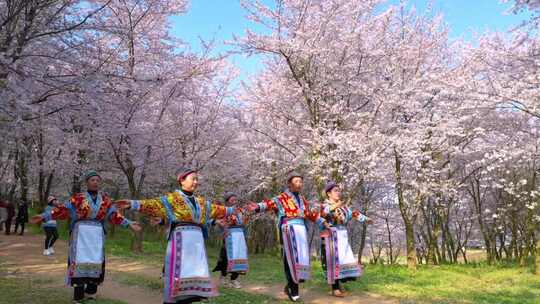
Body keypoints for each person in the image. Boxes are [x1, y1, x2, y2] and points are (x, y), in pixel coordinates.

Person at [115, 168, 237, 304]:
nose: (196, 182)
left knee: (193, 277)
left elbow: (221, 210)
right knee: (179, 274)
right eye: (193, 179)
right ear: (182, 181)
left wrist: (252, 208)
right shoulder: (172, 199)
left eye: (197, 179)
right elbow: (154, 204)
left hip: (196, 245)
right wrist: (133, 204)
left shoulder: (202, 203)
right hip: (180, 242)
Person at [31, 170, 141, 304]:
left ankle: (91, 292)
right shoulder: (77, 198)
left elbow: (113, 216)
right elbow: (62, 210)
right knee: (79, 260)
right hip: (80, 234)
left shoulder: (106, 200)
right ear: (87, 182)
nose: (95, 182)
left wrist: (128, 224)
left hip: (96, 235)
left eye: (97, 180)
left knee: (96, 261)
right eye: (92, 180)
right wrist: (43, 216)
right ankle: (78, 295)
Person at [248, 172, 328, 302]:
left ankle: (290, 285)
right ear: (289, 184)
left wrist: (323, 222)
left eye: (301, 181)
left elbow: (309, 214)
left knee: (301, 259)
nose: (299, 184)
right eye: (296, 181)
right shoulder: (282, 198)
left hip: (301, 232)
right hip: (289, 229)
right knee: (291, 259)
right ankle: (293, 289)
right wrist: (257, 207)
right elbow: (269, 203)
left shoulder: (302, 200)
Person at [320, 182, 373, 297]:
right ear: (329, 193)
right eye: (335, 191)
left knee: (343, 260)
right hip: (331, 235)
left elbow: (353, 213)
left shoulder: (343, 207)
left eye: (339, 191)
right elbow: (323, 214)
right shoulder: (325, 205)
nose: (338, 193)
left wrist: (365, 219)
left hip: (342, 235)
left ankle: (338, 284)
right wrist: (335, 206)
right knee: (333, 260)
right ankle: (335, 288)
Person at [212, 192, 249, 289]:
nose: (234, 202)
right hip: (229, 235)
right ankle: (223, 276)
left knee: (239, 256)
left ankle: (234, 279)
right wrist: (224, 229)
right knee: (226, 257)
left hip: (240, 236)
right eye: (232, 200)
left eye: (235, 200)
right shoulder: (223, 211)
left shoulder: (240, 210)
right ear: (227, 201)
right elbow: (220, 223)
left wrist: (245, 235)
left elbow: (244, 222)